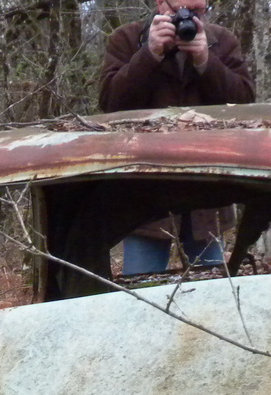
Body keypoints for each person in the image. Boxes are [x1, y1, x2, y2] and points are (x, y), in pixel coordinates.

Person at [98, 0, 255, 272]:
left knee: (211, 289)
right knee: (142, 285)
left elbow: (243, 104)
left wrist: (207, 60)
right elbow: (111, 103)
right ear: (161, 4)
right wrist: (150, 54)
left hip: (206, 187)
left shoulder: (222, 41)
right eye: (182, 11)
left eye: (197, 12)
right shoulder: (126, 39)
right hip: (145, 188)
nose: (189, 20)